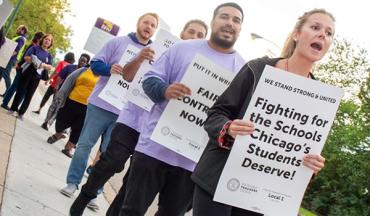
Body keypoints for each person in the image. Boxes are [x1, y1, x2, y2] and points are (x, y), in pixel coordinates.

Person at [191, 8, 335, 216]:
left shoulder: (323, 99)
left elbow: (306, 148)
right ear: (296, 34)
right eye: (315, 27)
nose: (323, 34)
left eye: (329, 33)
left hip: (258, 197)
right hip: (217, 181)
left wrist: (311, 164)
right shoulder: (256, 69)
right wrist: (228, 128)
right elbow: (215, 114)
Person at [69, 19, 208, 216]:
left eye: (200, 35)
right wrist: (140, 58)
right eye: (191, 32)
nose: (194, 37)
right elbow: (127, 76)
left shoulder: (201, 72)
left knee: (132, 184)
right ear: (182, 33)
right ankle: (86, 194)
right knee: (112, 161)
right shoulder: (156, 49)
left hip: (157, 131)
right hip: (133, 118)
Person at [116, 3, 244, 215]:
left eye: (236, 20)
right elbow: (149, 79)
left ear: (240, 29)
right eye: (224, 17)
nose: (230, 23)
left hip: (193, 163)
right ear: (213, 21)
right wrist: (165, 90)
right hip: (154, 148)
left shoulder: (243, 69)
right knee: (131, 211)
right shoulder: (183, 48)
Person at [59, 12, 159, 211]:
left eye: (153, 25)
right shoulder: (117, 42)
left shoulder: (155, 54)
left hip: (126, 113)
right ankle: (72, 182)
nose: (148, 26)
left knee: (109, 156)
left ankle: (93, 192)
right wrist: (109, 69)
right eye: (146, 22)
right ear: (138, 23)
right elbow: (95, 65)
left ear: (155, 30)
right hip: (100, 104)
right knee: (84, 145)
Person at [46, 66, 98, 159]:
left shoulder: (107, 77)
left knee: (79, 128)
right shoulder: (84, 70)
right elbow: (69, 80)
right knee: (61, 120)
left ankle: (68, 148)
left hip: (88, 107)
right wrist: (61, 93)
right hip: (72, 100)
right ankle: (58, 134)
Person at [8, 34, 53, 120]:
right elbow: (26, 57)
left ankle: (21, 113)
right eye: (46, 39)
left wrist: (43, 65)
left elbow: (50, 66)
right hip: (28, 71)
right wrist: (34, 60)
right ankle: (12, 109)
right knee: (20, 91)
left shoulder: (49, 55)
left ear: (50, 43)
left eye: (49, 40)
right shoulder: (34, 48)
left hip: (37, 76)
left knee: (29, 95)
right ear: (42, 40)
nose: (47, 41)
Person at [40, 53, 90, 130]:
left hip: (71, 96)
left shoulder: (85, 73)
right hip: (62, 91)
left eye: (84, 61)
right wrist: (57, 86)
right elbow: (60, 76)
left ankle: (49, 123)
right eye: (81, 60)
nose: (82, 62)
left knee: (59, 110)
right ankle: (46, 121)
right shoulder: (69, 67)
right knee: (53, 106)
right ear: (78, 59)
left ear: (86, 63)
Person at [1, 31, 44, 110]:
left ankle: (8, 103)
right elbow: (25, 57)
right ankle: (6, 103)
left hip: (25, 70)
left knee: (18, 88)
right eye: (43, 39)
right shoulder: (33, 46)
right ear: (39, 39)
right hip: (23, 69)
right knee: (16, 87)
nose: (43, 41)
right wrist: (19, 65)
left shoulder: (35, 46)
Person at [0, 25, 28, 91]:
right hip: (10, 58)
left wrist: (6, 56)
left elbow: (16, 50)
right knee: (1, 72)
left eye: (19, 29)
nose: (17, 29)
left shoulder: (21, 39)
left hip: (11, 59)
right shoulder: (19, 38)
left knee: (6, 74)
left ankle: (8, 91)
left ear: (23, 31)